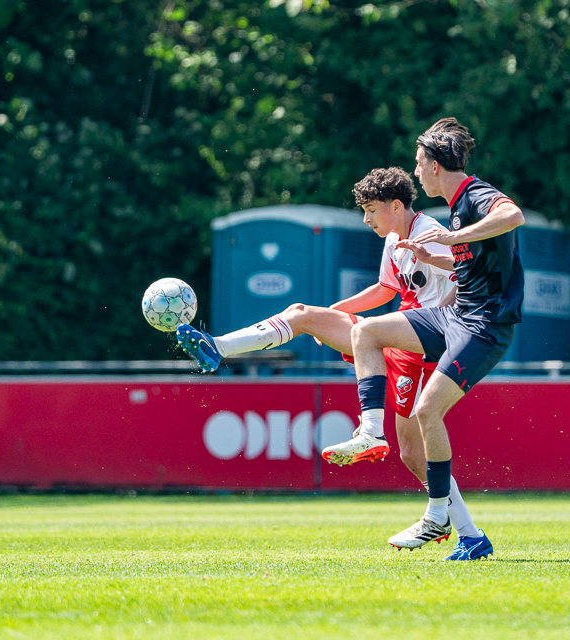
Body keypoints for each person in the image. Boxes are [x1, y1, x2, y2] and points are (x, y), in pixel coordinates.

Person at [177, 166, 492, 560]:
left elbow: (472, 279)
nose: (366, 219)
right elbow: (384, 289)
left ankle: (373, 433)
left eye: (371, 210)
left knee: (414, 449)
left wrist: (438, 317)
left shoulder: (432, 233)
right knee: (304, 314)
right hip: (396, 339)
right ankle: (218, 346)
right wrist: (334, 314)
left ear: (396, 206)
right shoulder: (395, 237)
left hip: (425, 347)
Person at [331, 117, 523, 555]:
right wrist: (429, 256)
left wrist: (453, 236)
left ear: (436, 165)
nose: (415, 172)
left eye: (419, 164)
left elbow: (513, 215)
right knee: (367, 333)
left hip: (486, 325)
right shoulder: (454, 209)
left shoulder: (473, 196)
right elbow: (468, 267)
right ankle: (372, 431)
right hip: (456, 316)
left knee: (426, 412)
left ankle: (443, 519)